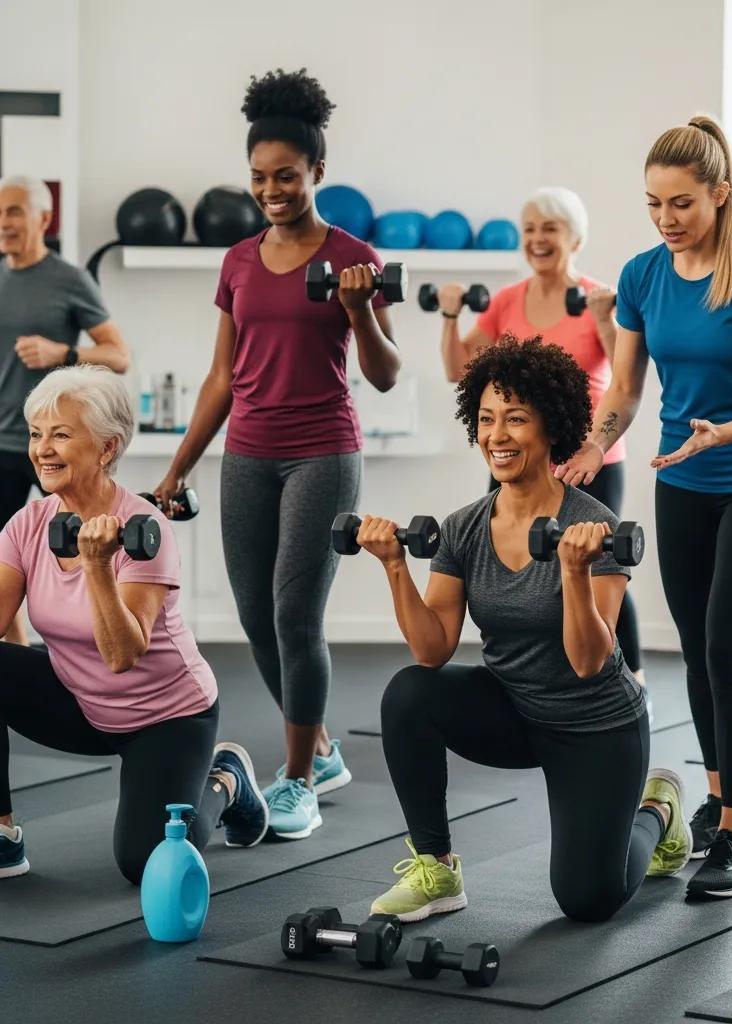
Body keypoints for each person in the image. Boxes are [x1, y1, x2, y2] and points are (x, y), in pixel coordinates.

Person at [558, 115, 732, 897]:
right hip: (682, 478)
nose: (666, 219)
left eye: (682, 204)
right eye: (654, 204)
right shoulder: (641, 276)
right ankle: (715, 796)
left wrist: (723, 431)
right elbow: (626, 389)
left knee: (730, 649)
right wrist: (597, 445)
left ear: (720, 195)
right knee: (697, 649)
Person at [361, 337, 690, 923]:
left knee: (589, 900)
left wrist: (573, 570)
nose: (498, 436)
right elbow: (431, 648)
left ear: (551, 427)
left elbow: (590, 661)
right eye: (486, 420)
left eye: (516, 419)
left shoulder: (595, 528)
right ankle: (435, 867)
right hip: (516, 712)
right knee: (410, 692)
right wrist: (393, 567)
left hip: (596, 726)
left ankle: (657, 810)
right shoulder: (464, 528)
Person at [152, 69, 401, 841]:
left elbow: (386, 375)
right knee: (257, 619)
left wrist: (360, 309)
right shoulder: (238, 261)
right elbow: (223, 376)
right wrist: (178, 466)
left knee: (298, 615)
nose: (272, 189)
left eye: (286, 176)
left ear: (317, 173)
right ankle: (319, 749)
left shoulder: (355, 257)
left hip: (324, 450)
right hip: (248, 453)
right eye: (260, 177)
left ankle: (296, 781)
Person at [0, 366, 267, 883]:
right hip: (79, 700)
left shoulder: (146, 529)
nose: (42, 449)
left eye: (60, 434)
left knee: (147, 864)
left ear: (105, 448)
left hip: (165, 718)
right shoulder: (26, 525)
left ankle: (226, 780)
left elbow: (122, 656)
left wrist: (97, 565)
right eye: (36, 434)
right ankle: (3, 833)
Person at [436, 187, 648, 713]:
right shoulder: (508, 300)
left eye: (549, 229)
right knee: (509, 559)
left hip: (587, 459)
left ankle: (631, 677)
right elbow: (459, 370)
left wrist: (603, 316)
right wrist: (447, 317)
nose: (538, 240)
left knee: (600, 565)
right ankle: (524, 671)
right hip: (520, 459)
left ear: (574, 238)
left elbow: (626, 374)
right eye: (530, 230)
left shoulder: (599, 296)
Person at [0, 175, 130, 645]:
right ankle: (18, 665)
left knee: (99, 546)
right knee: (2, 569)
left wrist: (63, 353)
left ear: (43, 217)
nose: (4, 221)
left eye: (14, 210)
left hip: (62, 443)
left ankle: (107, 645)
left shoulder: (69, 280)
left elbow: (119, 355)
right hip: (2, 445)